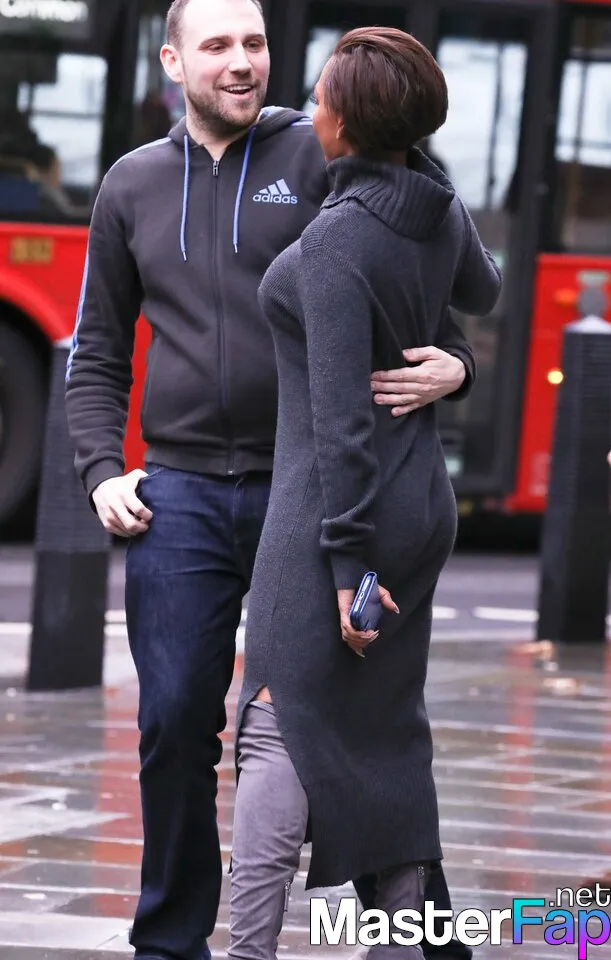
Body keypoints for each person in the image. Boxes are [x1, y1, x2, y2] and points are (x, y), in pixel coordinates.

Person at [64, 2, 479, 959]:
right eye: (217, 45)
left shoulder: (324, 147)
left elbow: (429, 284)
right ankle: (171, 943)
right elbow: (97, 352)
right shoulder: (131, 183)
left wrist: (457, 368)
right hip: (181, 494)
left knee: (359, 721)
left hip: (317, 489)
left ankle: (422, 936)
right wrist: (98, 470)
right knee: (174, 720)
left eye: (253, 42)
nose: (243, 62)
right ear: (173, 61)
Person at [227, 25, 501, 960]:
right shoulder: (434, 207)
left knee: (274, 717)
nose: (309, 111)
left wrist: (348, 570)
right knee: (385, 735)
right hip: (418, 504)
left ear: (346, 122)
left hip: (335, 518)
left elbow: (341, 419)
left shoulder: (338, 240)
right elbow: (481, 292)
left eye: (320, 98)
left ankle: (247, 948)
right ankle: (404, 945)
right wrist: (457, 363)